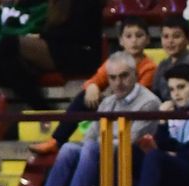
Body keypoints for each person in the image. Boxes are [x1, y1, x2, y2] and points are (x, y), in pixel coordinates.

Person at [39, 51, 160, 186]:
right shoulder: (108, 102)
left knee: (91, 147)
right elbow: (90, 135)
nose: (118, 83)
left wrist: (96, 145)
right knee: (68, 148)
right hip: (104, 152)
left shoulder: (149, 102)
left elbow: (131, 139)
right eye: (113, 78)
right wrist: (94, 146)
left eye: (124, 76)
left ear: (135, 74)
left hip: (133, 157)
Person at [30, 18, 158, 154]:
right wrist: (92, 87)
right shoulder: (113, 61)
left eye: (139, 36)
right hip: (113, 105)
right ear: (121, 40)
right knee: (83, 97)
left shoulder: (149, 66)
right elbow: (96, 80)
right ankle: (56, 141)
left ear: (148, 40)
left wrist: (107, 96)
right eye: (128, 36)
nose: (134, 41)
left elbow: (135, 94)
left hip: (134, 110)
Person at [137, 62, 189, 186]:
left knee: (155, 156)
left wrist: (172, 152)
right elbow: (164, 145)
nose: (176, 94)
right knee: (133, 153)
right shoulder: (172, 112)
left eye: (181, 87)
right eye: (172, 89)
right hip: (177, 169)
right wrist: (162, 121)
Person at [151, 18, 189, 102]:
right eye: (166, 36)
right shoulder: (162, 65)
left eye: (176, 36)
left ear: (188, 40)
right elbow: (155, 93)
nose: (170, 41)